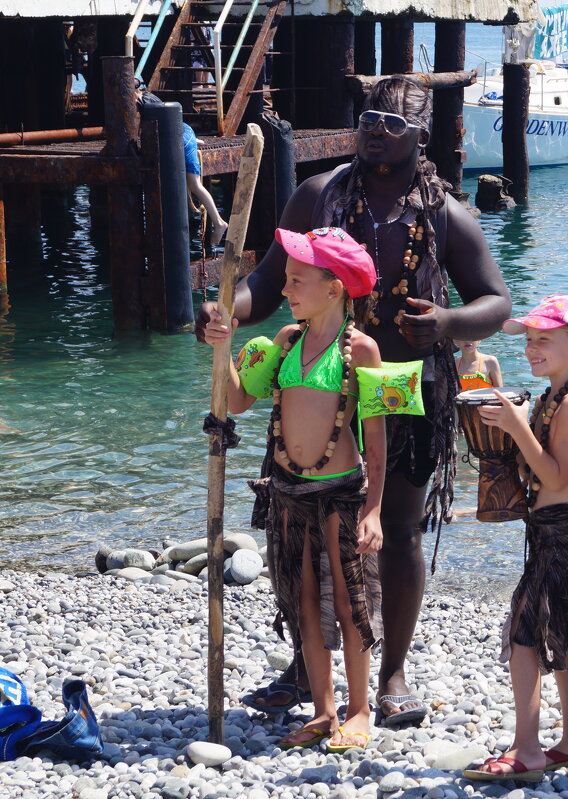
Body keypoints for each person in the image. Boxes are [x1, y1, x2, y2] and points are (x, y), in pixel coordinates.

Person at [197, 76, 512, 727]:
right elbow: (263, 281)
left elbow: (496, 300)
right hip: (319, 380)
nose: (376, 129)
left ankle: (391, 669)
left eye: (393, 121)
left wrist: (449, 326)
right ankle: (305, 667)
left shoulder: (444, 212)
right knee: (305, 525)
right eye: (368, 116)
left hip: (406, 384)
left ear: (421, 133)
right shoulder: (318, 195)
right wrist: (229, 309)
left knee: (394, 529)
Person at [204, 226, 384, 750]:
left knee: (350, 602)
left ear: (334, 289)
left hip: (342, 494)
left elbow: (376, 437)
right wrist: (225, 347)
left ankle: (359, 709)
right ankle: (324, 711)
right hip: (288, 492)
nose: (285, 291)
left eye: (296, 281)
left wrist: (373, 509)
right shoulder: (283, 342)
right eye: (285, 280)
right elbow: (237, 401)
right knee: (303, 601)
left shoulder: (363, 351)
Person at [463, 295, 568, 782]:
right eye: (529, 340)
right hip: (558, 528)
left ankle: (527, 749)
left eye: (544, 340)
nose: (531, 349)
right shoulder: (555, 395)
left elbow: (554, 477)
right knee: (563, 634)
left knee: (524, 636)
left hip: (567, 529)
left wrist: (514, 427)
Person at [135, 89, 228, 247]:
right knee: (193, 181)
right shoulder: (147, 96)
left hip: (180, 138)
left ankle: (219, 223)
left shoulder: (145, 108)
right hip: (186, 130)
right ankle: (196, 141)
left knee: (195, 185)